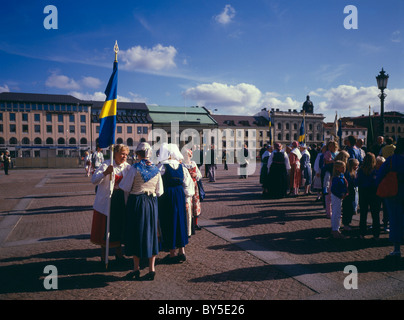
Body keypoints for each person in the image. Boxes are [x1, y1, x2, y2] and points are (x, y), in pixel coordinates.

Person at [119, 142, 163, 281]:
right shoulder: (156, 170)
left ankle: (136, 268)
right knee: (151, 232)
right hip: (151, 203)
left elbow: (125, 186)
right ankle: (151, 268)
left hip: (137, 201)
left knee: (136, 233)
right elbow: (160, 191)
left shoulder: (134, 168)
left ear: (138, 154)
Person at [90, 144, 131, 265]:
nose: (124, 156)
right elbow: (94, 180)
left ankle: (119, 254)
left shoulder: (128, 167)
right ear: (116, 154)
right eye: (122, 154)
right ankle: (104, 257)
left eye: (126, 155)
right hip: (107, 200)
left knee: (119, 226)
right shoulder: (106, 164)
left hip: (120, 200)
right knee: (105, 228)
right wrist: (105, 173)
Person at [157, 143, 194, 263]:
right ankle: (182, 250)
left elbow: (156, 181)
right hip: (179, 195)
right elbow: (188, 184)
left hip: (166, 196)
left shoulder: (162, 167)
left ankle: (172, 252)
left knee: (168, 222)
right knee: (180, 222)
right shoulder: (181, 167)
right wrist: (187, 199)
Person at [376, 138, 404, 257]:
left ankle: (397, 249)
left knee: (395, 220)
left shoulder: (392, 160)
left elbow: (379, 176)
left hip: (394, 195)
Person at [357, 152, 380, 240]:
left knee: (363, 214)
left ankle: (362, 233)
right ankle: (376, 234)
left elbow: (357, 182)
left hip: (363, 192)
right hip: (374, 192)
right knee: (375, 214)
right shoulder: (376, 170)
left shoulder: (361, 170)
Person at [182, 148, 202, 236]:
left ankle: (195, 223)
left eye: (188, 155)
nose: (187, 157)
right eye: (185, 155)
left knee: (195, 204)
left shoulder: (193, 164)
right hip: (186, 187)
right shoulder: (182, 165)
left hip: (194, 186)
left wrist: (196, 175)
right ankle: (189, 226)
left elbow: (200, 174)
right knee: (188, 206)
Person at [330, 160, 348, 239]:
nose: (344, 168)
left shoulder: (341, 176)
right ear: (337, 168)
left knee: (337, 213)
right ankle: (335, 230)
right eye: (342, 167)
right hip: (336, 196)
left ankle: (336, 229)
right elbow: (333, 189)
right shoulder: (336, 178)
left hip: (339, 196)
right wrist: (340, 195)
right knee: (336, 213)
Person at [322, 141, 339, 218]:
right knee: (328, 195)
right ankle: (329, 212)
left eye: (332, 146)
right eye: (329, 146)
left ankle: (336, 212)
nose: (330, 147)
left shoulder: (338, 153)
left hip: (336, 174)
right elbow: (327, 162)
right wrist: (335, 162)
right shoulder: (327, 153)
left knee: (336, 196)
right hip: (329, 174)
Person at [342, 158, 359, 231]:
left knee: (350, 208)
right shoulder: (348, 173)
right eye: (356, 165)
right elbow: (350, 183)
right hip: (348, 193)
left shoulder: (352, 173)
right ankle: (346, 224)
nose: (357, 167)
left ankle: (347, 223)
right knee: (348, 209)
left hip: (351, 193)